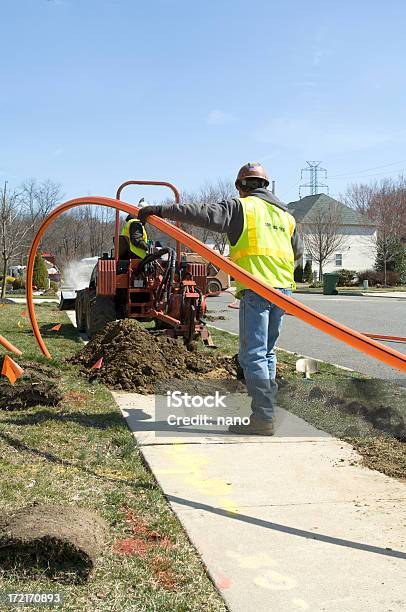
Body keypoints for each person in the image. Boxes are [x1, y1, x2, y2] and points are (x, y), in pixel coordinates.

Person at [138, 162, 303, 435]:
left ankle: (263, 418)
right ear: (267, 185)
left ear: (240, 186)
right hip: (282, 291)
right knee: (267, 353)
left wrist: (160, 210)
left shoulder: (243, 207)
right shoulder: (286, 216)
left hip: (258, 288)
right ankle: (268, 411)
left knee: (253, 355)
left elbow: (202, 213)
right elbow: (297, 253)